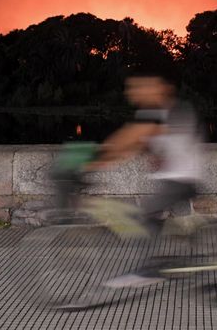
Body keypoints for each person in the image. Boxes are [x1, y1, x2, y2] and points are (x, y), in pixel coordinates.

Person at [88, 73, 205, 288]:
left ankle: (144, 272)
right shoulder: (156, 112)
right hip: (172, 180)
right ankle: (171, 254)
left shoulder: (171, 111)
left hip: (180, 181)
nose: (132, 93)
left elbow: (130, 135)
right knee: (151, 220)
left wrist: (89, 162)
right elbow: (131, 146)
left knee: (143, 218)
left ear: (157, 88)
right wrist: (104, 160)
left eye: (138, 87)